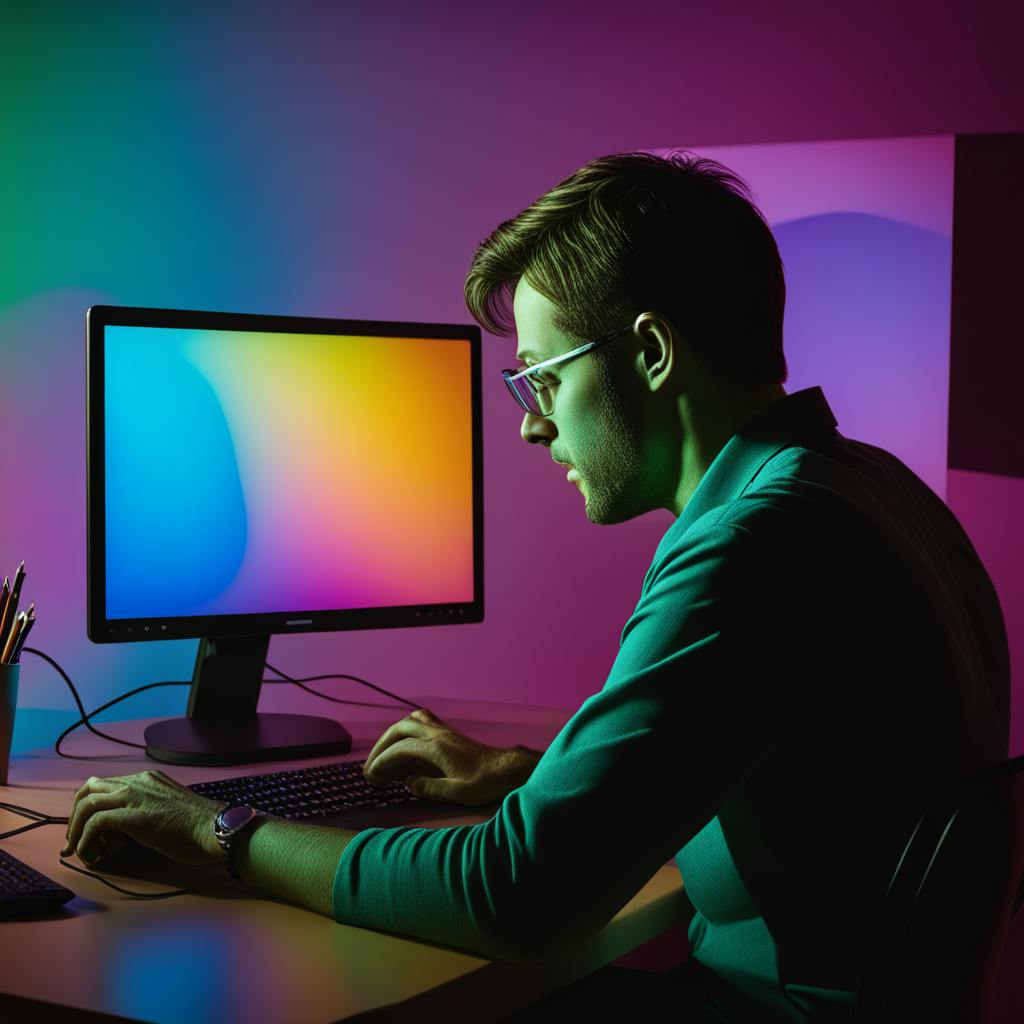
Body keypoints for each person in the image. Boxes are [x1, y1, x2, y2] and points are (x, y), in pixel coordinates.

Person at [61, 152, 1010, 1023]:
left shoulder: (751, 549)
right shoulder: (870, 488)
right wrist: (523, 774)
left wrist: (218, 830)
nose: (529, 427)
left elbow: (513, 893)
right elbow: (768, 769)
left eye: (542, 380)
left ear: (650, 353)